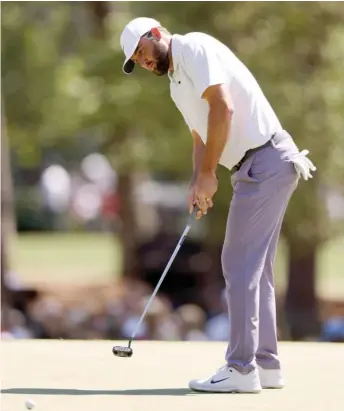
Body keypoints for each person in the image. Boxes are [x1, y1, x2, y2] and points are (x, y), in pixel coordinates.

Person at [120, 17, 316, 393]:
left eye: (142, 52)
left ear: (156, 34)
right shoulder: (177, 85)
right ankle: (266, 364)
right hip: (255, 167)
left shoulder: (194, 47)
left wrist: (210, 173)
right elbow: (200, 136)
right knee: (256, 269)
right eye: (136, 61)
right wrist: (199, 179)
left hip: (267, 159)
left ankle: (241, 368)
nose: (143, 62)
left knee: (238, 264)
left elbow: (222, 109)